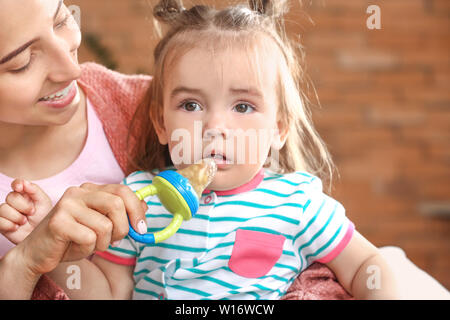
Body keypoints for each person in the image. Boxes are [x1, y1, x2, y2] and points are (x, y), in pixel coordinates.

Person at [5, 0, 400, 300]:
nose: (214, 128)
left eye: (243, 107)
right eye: (190, 106)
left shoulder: (297, 201)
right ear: (160, 124)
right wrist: (52, 250)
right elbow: (110, 292)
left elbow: (367, 264)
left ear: (278, 129)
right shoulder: (138, 198)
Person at [0, 0, 150, 298]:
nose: (71, 69)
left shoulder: (153, 111)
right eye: (23, 62)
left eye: (60, 21)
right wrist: (23, 263)